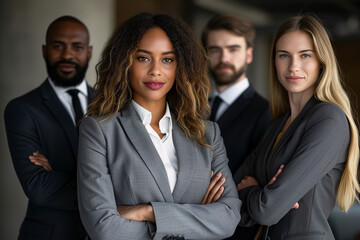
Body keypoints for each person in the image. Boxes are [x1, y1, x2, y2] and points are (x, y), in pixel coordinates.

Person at [77, 12, 241, 240]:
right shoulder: (100, 130)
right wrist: (197, 218)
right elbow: (104, 228)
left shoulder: (207, 134)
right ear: (125, 62)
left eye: (167, 59)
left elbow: (229, 217)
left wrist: (148, 212)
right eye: (143, 58)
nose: (156, 70)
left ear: (180, 66)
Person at [233, 15, 360, 240]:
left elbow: (267, 210)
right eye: (284, 56)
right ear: (274, 61)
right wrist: (262, 196)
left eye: (305, 56)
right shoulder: (276, 125)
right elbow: (233, 192)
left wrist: (252, 190)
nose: (293, 67)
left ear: (322, 61)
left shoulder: (328, 119)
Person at [4, 15, 93, 240]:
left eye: (77, 47)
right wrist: (109, 186)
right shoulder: (22, 109)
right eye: (57, 46)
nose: (67, 55)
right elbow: (39, 187)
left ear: (89, 52)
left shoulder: (111, 106)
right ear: (44, 51)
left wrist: (58, 174)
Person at [201, 14, 272, 174]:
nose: (224, 58)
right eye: (215, 50)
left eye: (233, 49)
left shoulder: (265, 112)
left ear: (249, 55)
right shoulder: (195, 108)